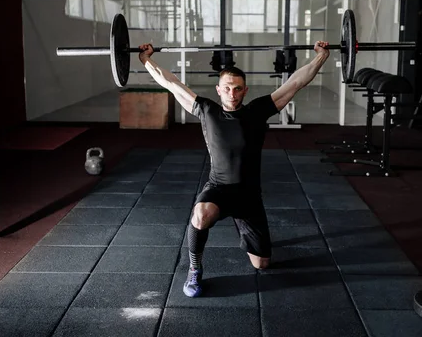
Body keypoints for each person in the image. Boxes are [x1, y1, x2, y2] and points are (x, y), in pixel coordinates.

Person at [138, 41, 330, 297]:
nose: (232, 93)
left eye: (237, 89)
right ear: (218, 89)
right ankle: (195, 268)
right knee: (200, 215)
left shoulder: (258, 111)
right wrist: (146, 60)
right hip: (218, 189)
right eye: (227, 88)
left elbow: (296, 82)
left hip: (249, 197)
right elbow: (170, 83)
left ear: (245, 90)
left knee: (262, 265)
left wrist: (321, 56)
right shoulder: (206, 110)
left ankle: (242, 226)